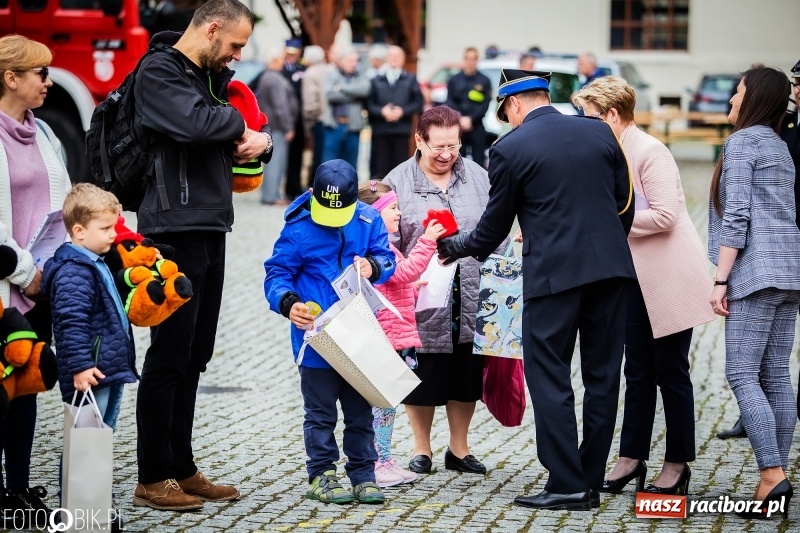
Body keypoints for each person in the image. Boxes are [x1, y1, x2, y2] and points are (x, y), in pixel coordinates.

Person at [437, 69, 635, 510]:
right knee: (603, 378)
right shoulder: (599, 131)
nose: (508, 119)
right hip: (612, 271)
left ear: (514, 104)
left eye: (506, 112)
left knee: (548, 374)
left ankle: (567, 483)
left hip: (553, 277)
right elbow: (624, 204)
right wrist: (605, 250)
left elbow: (491, 230)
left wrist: (454, 246)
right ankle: (589, 477)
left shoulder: (510, 148)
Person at [132, 0, 271, 512]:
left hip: (211, 224)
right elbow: (196, 124)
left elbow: (242, 126)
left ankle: (183, 466)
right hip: (172, 227)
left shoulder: (210, 77)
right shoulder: (159, 70)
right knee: (169, 354)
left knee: (195, 355)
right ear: (212, 30)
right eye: (234, 45)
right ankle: (152, 475)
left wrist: (260, 138)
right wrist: (238, 124)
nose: (237, 56)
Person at [573, 76, 716, 496]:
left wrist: (606, 221)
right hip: (632, 278)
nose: (585, 124)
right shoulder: (607, 151)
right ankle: (631, 458)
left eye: (590, 116)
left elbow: (666, 216)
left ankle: (677, 464)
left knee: (671, 372)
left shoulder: (651, 151)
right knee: (636, 372)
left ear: (612, 115)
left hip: (667, 277)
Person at [263, 159, 397, 504]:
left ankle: (364, 475)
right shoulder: (298, 227)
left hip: (359, 334)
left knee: (360, 412)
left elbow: (387, 259)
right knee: (320, 414)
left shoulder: (368, 220)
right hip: (316, 340)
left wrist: (374, 266)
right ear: (313, 193)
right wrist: (288, 302)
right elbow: (277, 273)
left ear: (356, 200)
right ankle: (321, 474)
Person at [383, 105, 505, 477]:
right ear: (419, 141)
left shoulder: (479, 176)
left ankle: (459, 448)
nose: (446, 154)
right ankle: (421, 447)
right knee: (423, 373)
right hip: (420, 295)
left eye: (453, 146)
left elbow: (496, 228)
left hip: (471, 290)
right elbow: (386, 242)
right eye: (438, 146)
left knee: (466, 373)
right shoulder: (398, 181)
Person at [707, 65, 800, 518]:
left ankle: (771, 474)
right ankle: (776, 481)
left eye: (738, 92)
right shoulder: (779, 145)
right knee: (776, 375)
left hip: (756, 273)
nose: (731, 100)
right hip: (790, 271)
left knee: (743, 374)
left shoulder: (743, 142)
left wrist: (720, 279)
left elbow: (737, 215)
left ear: (755, 98)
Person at [0, 34, 71, 530]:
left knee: (26, 390)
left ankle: (19, 491)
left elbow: (60, 209)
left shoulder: (42, 131)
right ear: (10, 78)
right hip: (8, 288)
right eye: (40, 73)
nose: (48, 81)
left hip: (38, 289)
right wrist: (26, 274)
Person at [356, 180, 446, 487]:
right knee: (381, 405)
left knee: (386, 405)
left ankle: (383, 459)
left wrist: (411, 288)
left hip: (392, 337)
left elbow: (396, 283)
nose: (399, 213)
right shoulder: (376, 250)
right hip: (387, 340)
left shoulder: (384, 246)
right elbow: (403, 271)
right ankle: (376, 463)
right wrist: (428, 240)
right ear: (374, 214)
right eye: (393, 208)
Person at [367, 46, 423, 178]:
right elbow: (369, 104)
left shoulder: (411, 79)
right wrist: (382, 111)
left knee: (400, 167)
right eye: (392, 56)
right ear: (386, 58)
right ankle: (377, 191)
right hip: (381, 130)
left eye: (398, 56)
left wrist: (402, 111)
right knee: (379, 168)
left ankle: (399, 191)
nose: (395, 58)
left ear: (403, 59)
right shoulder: (376, 80)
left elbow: (418, 102)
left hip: (401, 130)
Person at [256, 46, 298, 206]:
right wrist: (288, 127)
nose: (283, 61)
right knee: (276, 162)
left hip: (273, 126)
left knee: (273, 162)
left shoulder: (268, 76)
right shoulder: (274, 78)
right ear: (274, 60)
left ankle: (270, 194)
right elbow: (281, 106)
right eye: (281, 59)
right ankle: (271, 196)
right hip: (277, 127)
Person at [322, 47, 370, 169]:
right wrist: (354, 94)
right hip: (334, 126)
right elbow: (329, 95)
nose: (353, 64)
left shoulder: (361, 76)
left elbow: (364, 90)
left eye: (355, 61)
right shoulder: (332, 75)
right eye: (350, 60)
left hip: (353, 127)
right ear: (341, 61)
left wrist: (340, 88)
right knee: (330, 165)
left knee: (350, 166)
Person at [445, 47, 491, 167]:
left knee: (478, 162)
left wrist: (471, 119)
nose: (470, 61)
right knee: (457, 162)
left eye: (473, 59)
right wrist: (460, 118)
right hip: (458, 126)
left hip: (476, 124)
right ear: (464, 60)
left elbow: (485, 104)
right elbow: (450, 101)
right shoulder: (454, 80)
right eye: (468, 58)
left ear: (477, 60)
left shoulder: (484, 81)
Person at [281, 38, 306, 201]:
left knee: (297, 155)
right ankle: (281, 188)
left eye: (294, 53)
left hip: (298, 119)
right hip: (283, 117)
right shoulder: (279, 68)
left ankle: (294, 187)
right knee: (281, 155)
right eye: (289, 53)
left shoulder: (303, 69)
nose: (291, 56)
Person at [301, 45, 329, 182]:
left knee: (317, 155)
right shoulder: (330, 69)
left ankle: (314, 185)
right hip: (330, 119)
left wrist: (308, 121)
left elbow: (310, 103)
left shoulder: (310, 73)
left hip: (317, 120)